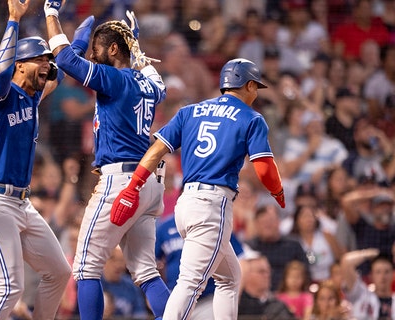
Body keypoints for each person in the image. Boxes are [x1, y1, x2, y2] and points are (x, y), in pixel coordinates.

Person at [111, 58, 286, 319]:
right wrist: (279, 192)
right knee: (190, 284)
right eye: (255, 87)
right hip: (212, 208)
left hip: (185, 205)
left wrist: (133, 185)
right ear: (248, 85)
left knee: (230, 277)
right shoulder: (252, 117)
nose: (256, 93)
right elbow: (263, 166)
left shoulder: (189, 111)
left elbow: (156, 149)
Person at [45, 5, 171, 320]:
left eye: (97, 49)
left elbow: (64, 59)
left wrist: (50, 14)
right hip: (148, 183)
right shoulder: (150, 84)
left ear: (113, 49)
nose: (92, 55)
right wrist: (136, 47)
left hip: (122, 182)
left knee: (86, 266)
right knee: (145, 270)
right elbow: (160, 85)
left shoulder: (114, 79)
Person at [0, 0, 71, 319]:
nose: (47, 65)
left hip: (21, 204)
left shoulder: (34, 96)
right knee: (10, 287)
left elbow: (66, 64)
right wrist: (13, 20)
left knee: (59, 272)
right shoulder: (0, 96)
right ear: (20, 64)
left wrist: (55, 18)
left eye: (46, 60)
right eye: (40, 59)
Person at [340, 248, 395, 319]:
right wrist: (368, 253)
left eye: (386, 272)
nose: (382, 276)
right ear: (371, 275)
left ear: (393, 274)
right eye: (378, 272)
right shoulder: (361, 294)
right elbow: (346, 262)